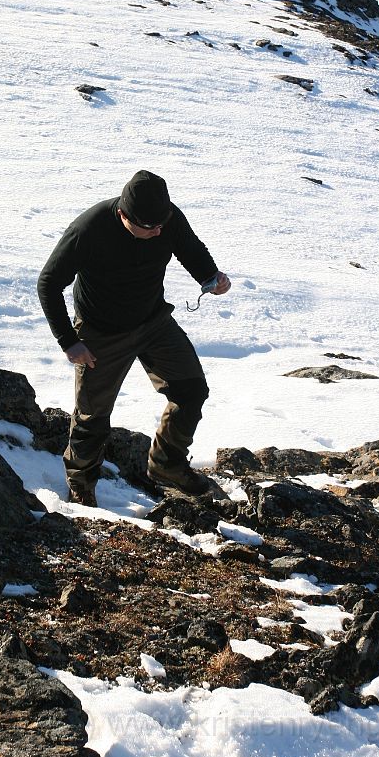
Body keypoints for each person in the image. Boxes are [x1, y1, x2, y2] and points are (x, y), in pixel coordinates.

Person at [37, 170, 231, 507]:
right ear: (124, 215)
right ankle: (81, 484)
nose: (158, 231)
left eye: (161, 224)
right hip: (100, 333)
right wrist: (69, 341)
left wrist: (210, 276)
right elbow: (49, 283)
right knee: (92, 417)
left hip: (152, 321)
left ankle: (167, 465)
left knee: (192, 390)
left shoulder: (165, 218)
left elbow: (188, 247)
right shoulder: (90, 229)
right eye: (149, 227)